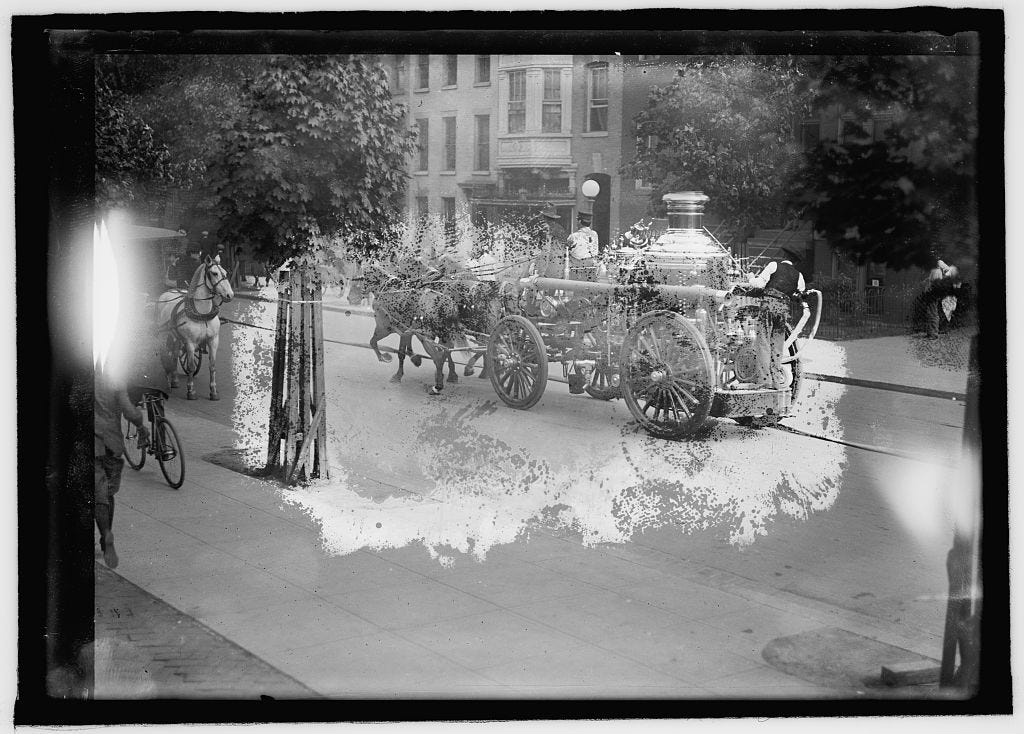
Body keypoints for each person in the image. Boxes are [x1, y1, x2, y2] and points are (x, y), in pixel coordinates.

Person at [95, 367, 149, 569]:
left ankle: (104, 533)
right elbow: (129, 410)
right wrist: (141, 425)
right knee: (108, 493)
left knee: (96, 494)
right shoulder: (114, 375)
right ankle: (106, 535)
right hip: (112, 442)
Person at [747, 247, 806, 389]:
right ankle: (775, 378)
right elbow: (800, 293)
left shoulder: (774, 265)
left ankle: (764, 379)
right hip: (783, 310)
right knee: (777, 344)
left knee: (763, 342)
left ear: (784, 256)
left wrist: (750, 278)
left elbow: (759, 284)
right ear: (795, 262)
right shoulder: (799, 276)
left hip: (768, 306)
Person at [533, 203, 569, 278]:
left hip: (547, 266)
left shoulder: (545, 229)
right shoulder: (560, 228)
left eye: (541, 215)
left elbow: (543, 249)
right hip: (561, 266)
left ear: (544, 217)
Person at [567, 210, 600, 281]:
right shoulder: (595, 234)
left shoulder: (573, 236)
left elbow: (567, 250)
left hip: (577, 268)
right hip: (591, 266)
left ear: (579, 221)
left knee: (577, 289)